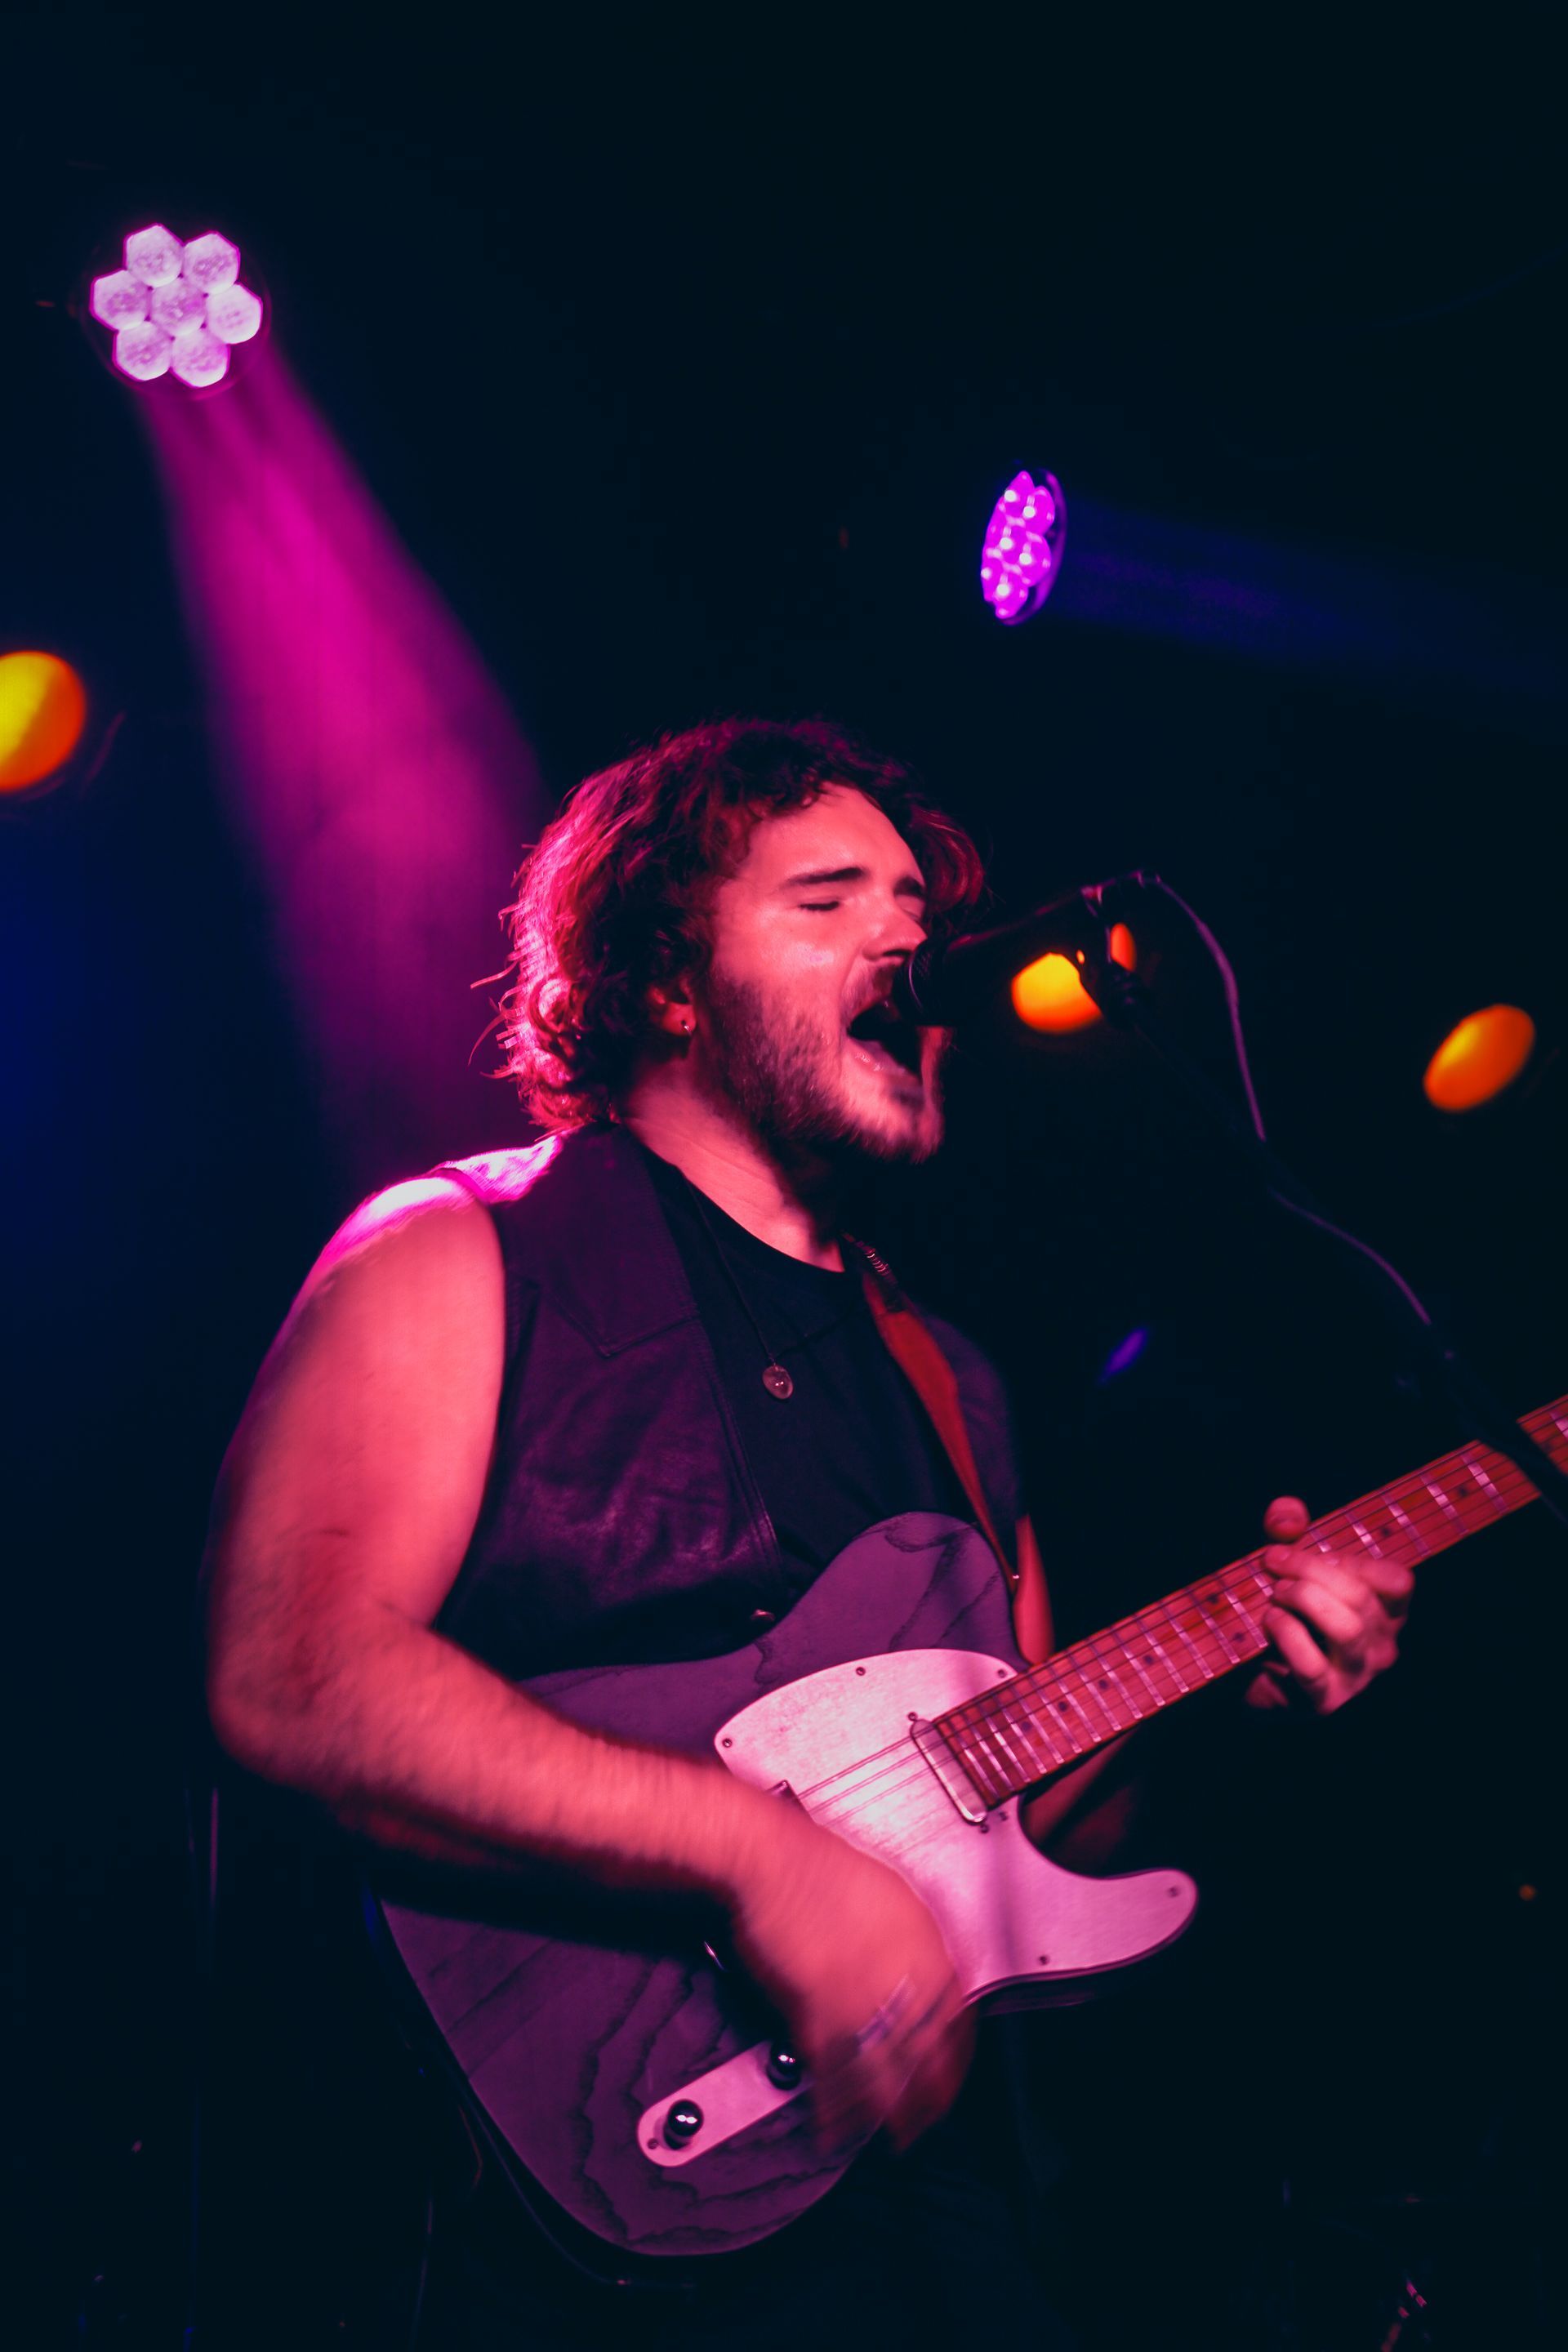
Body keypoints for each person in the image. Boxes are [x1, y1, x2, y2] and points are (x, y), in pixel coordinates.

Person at [202, 718, 1413, 2346]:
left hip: (921, 2216)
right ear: (662, 984)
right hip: (521, 2219)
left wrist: (1230, 1703)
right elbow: (289, 1675)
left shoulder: (953, 1374)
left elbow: (1024, 1828)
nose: (908, 942)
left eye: (912, 905)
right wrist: (754, 1852)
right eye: (829, 900)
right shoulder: (466, 1253)